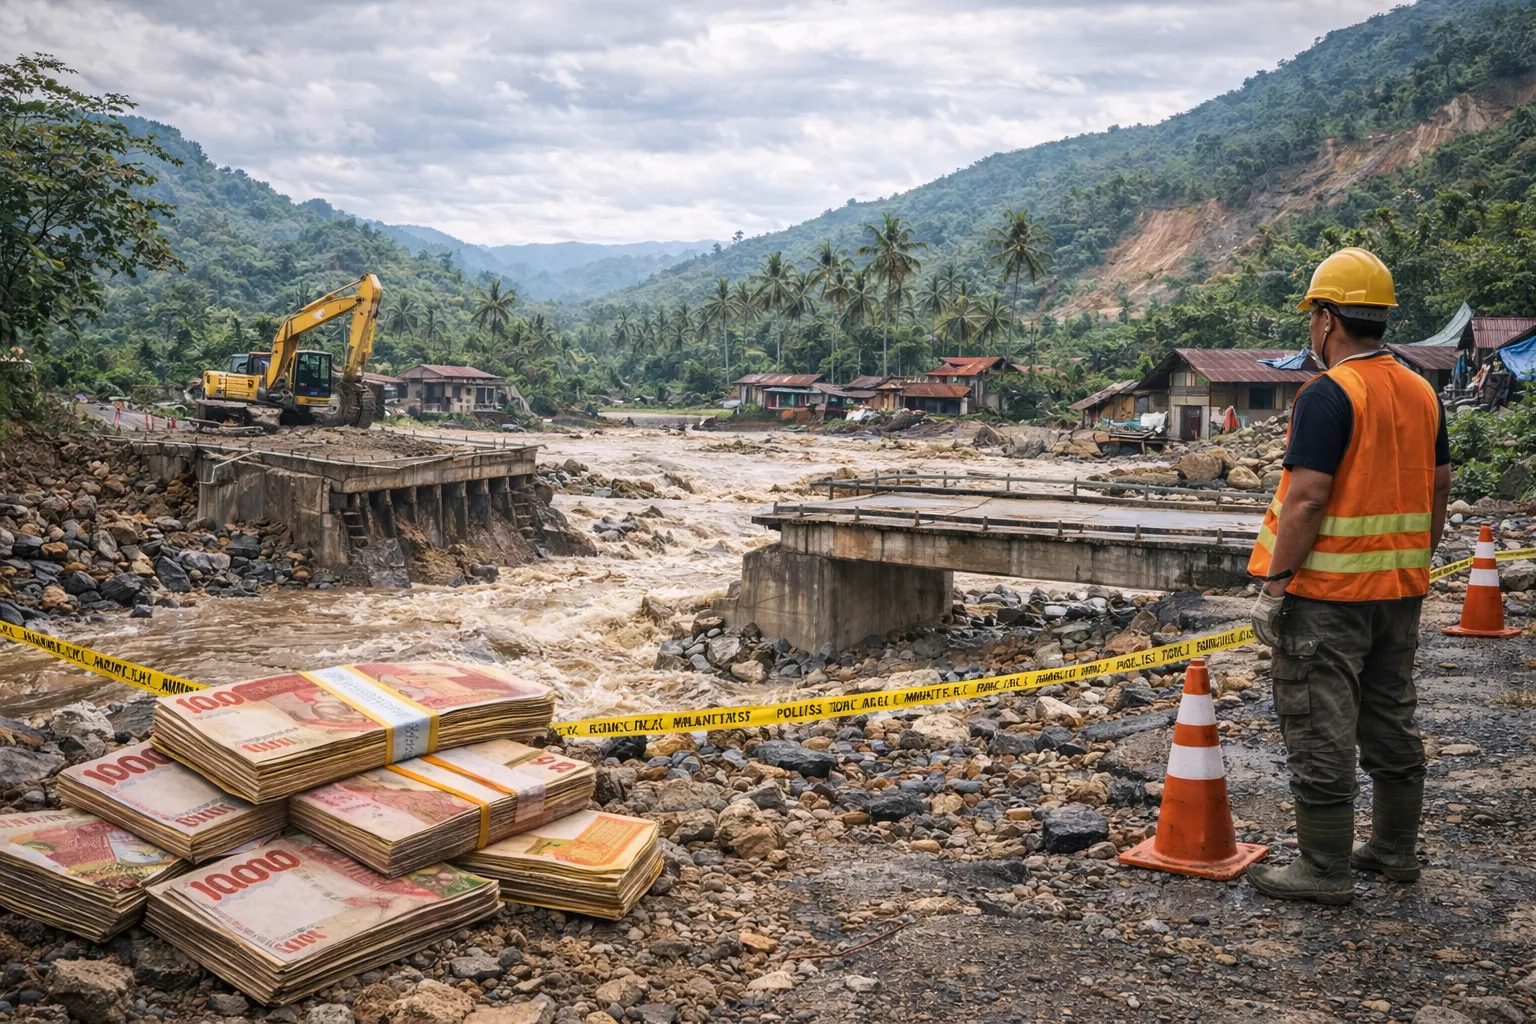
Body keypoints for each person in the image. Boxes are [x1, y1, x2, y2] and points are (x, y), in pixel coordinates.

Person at [1245, 247, 1452, 904]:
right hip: (1400, 590)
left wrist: (1276, 587)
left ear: (1327, 319)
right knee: (1391, 714)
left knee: (1317, 722)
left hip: (1329, 596)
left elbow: (1306, 498)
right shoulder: (1421, 390)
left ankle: (1324, 867)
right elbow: (1440, 486)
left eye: (1314, 316)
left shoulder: (1331, 394)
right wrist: (1414, 559)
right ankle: (1394, 849)